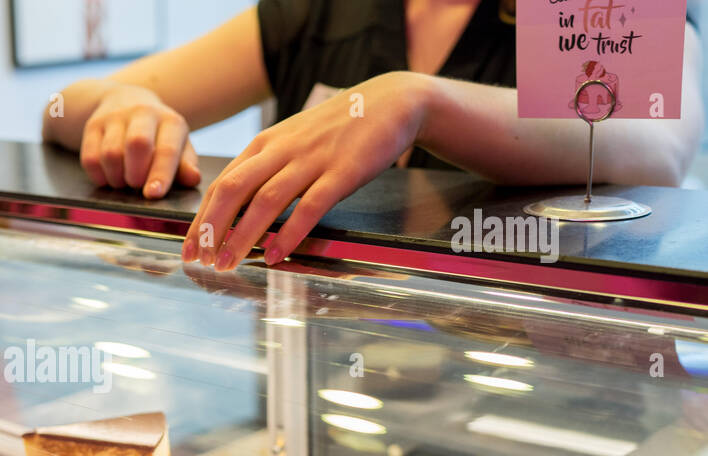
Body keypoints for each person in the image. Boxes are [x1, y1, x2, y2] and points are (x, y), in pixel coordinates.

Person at [42, 0, 705, 272]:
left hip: (530, 409)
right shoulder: (325, 10)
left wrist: (417, 101)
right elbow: (61, 108)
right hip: (315, 400)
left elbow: (655, 145)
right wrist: (125, 102)